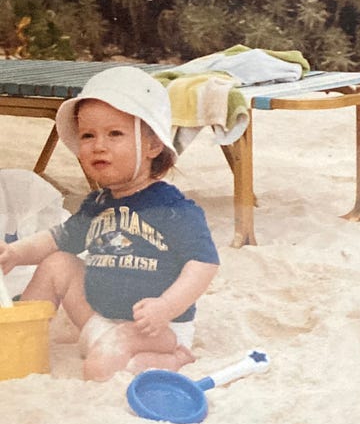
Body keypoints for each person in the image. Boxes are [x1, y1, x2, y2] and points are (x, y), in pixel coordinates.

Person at [0, 67, 220, 381]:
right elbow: (58, 239)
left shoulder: (171, 207)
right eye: (88, 135)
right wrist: (16, 253)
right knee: (57, 263)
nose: (98, 145)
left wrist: (166, 307)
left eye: (114, 134)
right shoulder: (98, 204)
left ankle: (175, 358)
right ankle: (20, 330)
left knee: (99, 368)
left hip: (155, 329)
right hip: (100, 319)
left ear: (153, 146)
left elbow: (204, 263)